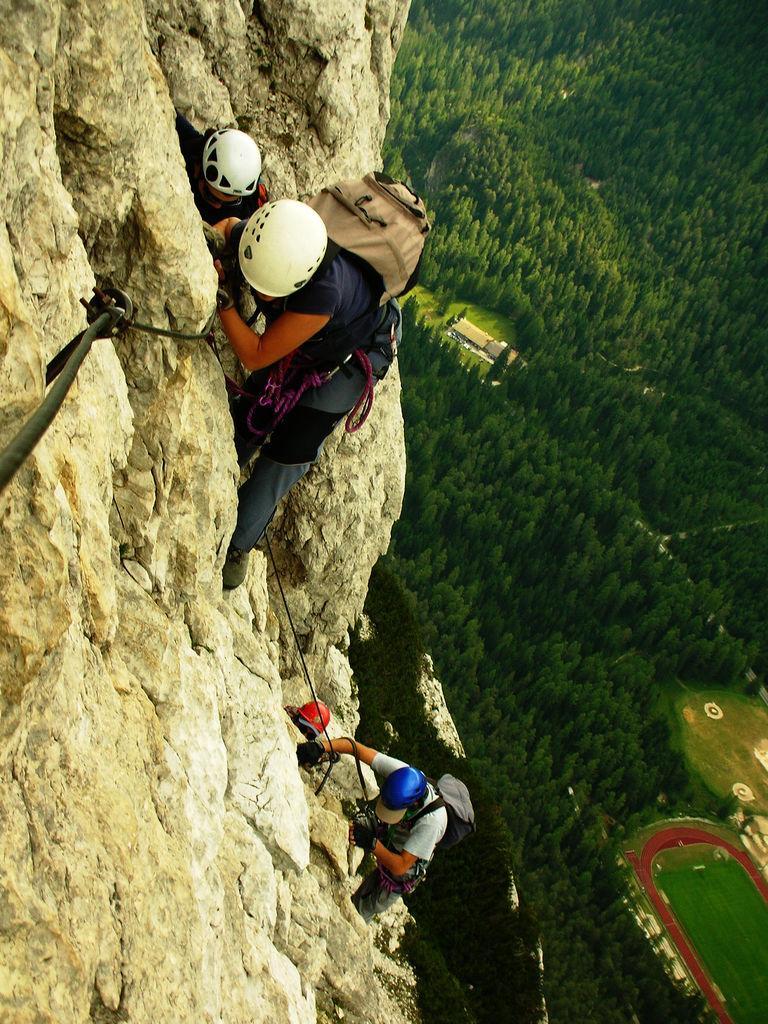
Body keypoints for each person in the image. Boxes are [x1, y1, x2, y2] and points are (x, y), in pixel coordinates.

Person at [212, 198, 400, 589]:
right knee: (258, 401)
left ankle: (236, 544)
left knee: (290, 448)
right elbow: (230, 226)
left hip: (358, 351)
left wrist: (223, 300)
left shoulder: (321, 295)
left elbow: (256, 353)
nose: (258, 295)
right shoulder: (273, 236)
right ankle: (225, 459)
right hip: (329, 329)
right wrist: (212, 241)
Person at [296, 737, 448, 924]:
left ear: (413, 804)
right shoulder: (402, 774)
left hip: (402, 865)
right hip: (389, 829)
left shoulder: (432, 822)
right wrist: (320, 747)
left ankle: (351, 923)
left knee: (362, 906)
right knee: (354, 827)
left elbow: (400, 866)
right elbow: (355, 748)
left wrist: (372, 844)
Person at [175, 112, 267, 225]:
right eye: (212, 197)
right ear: (198, 168)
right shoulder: (188, 150)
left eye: (230, 202)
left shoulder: (248, 207)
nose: (218, 205)